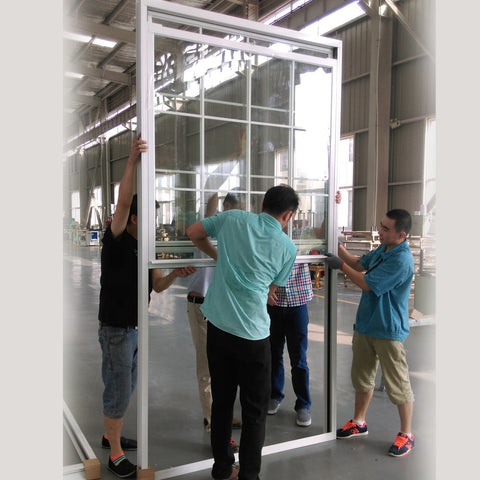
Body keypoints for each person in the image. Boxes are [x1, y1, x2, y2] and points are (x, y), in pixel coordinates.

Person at [98, 133, 196, 478]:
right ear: (134, 219)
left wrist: (174, 275)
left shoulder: (146, 249)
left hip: (135, 327)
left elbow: (157, 286)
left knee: (126, 385)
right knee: (118, 386)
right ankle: (114, 454)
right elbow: (123, 202)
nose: (155, 222)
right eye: (150, 217)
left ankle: (111, 435)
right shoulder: (117, 239)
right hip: (116, 328)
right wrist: (131, 161)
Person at [186, 185, 299, 480]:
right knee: (254, 412)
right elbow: (271, 289)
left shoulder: (233, 218)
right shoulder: (288, 248)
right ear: (288, 215)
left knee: (222, 404)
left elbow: (193, 232)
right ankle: (249, 475)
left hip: (219, 329)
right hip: (253, 337)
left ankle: (223, 468)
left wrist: (218, 256)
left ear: (262, 204)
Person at [324, 209, 415, 458]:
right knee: (362, 377)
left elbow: (366, 283)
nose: (380, 231)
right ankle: (359, 422)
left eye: (386, 229)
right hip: (366, 325)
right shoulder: (384, 249)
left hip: (388, 329)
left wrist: (340, 266)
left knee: (398, 383)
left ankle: (407, 434)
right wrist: (335, 245)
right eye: (381, 225)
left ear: (401, 234)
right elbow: (358, 263)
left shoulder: (401, 259)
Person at [267, 190, 342, 427]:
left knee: (298, 358)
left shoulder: (303, 235)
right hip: (272, 303)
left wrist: (333, 206)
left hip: (297, 304)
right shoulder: (267, 234)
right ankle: (274, 395)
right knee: (273, 354)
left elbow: (324, 232)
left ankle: (303, 404)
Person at [186, 191, 244, 439]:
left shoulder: (234, 231)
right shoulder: (212, 225)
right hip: (202, 304)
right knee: (206, 368)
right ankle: (214, 423)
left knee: (222, 367)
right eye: (238, 209)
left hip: (221, 306)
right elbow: (209, 208)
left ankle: (219, 415)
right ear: (226, 206)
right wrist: (215, 186)